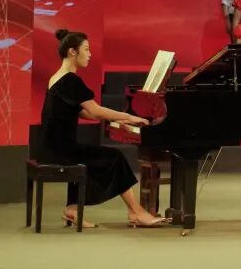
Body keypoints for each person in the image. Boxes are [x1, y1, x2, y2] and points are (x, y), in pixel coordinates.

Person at [38, 30, 166, 228]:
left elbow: (82, 113)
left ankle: (72, 209)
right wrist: (129, 117)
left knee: (92, 156)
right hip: (62, 151)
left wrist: (117, 121)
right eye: (86, 49)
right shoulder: (70, 80)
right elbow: (95, 111)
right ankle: (136, 212)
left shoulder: (56, 78)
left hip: (53, 147)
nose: (90, 54)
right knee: (114, 157)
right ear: (72, 52)